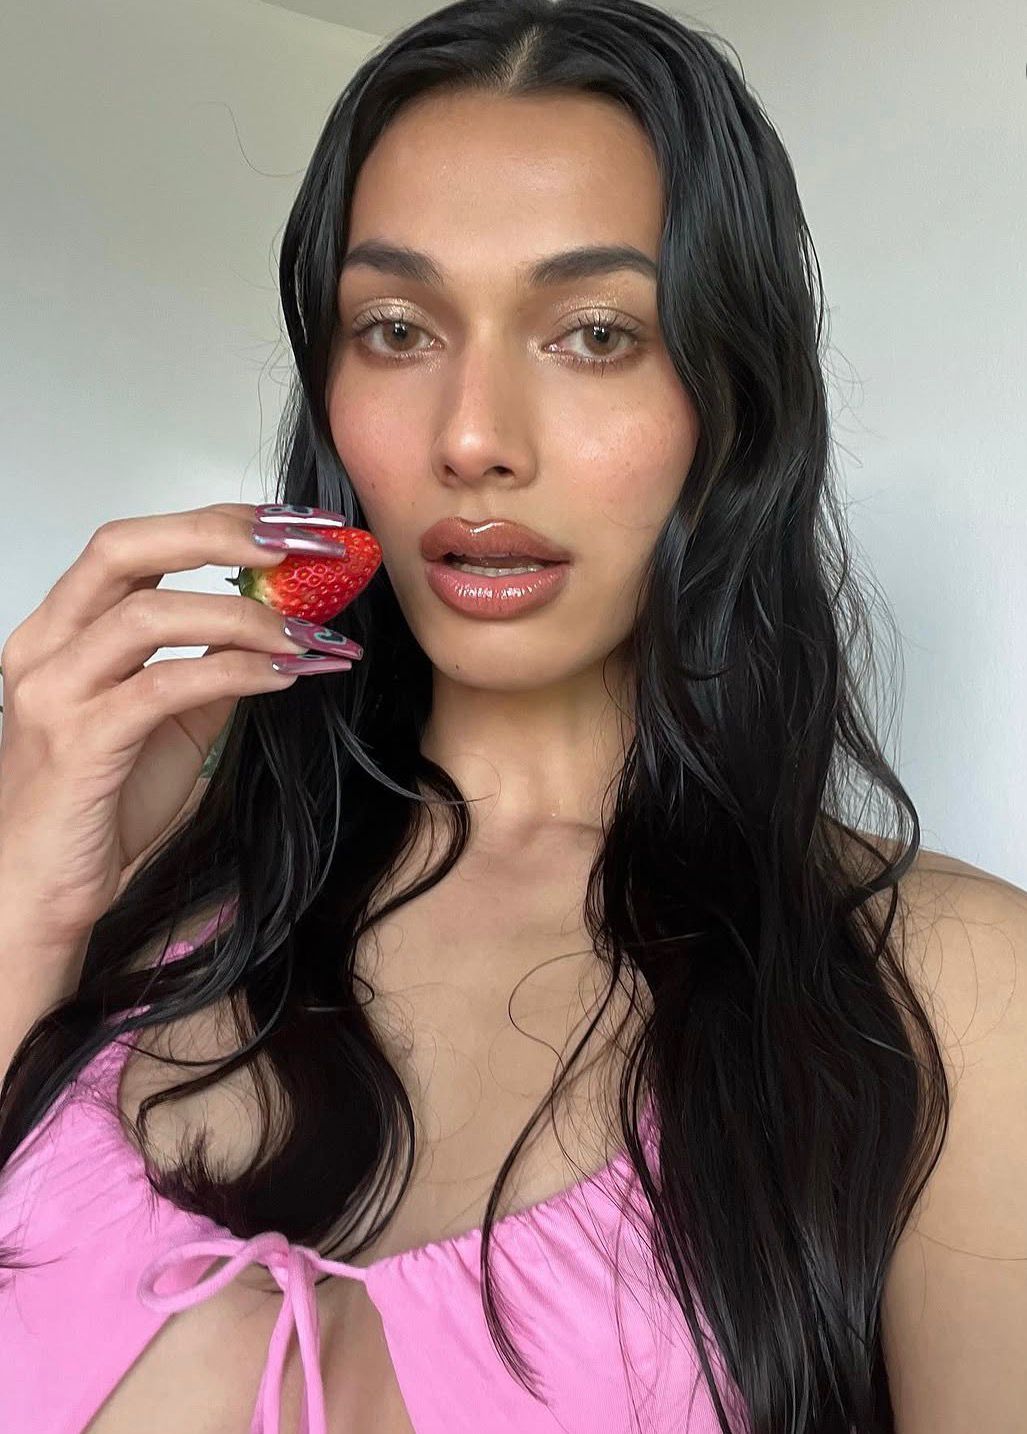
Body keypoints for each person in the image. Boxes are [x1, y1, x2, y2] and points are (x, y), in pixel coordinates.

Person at [1, 2, 1025, 1432]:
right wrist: (29, 909)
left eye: (595, 333)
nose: (473, 436)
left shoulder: (957, 997)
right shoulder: (125, 880)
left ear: (735, 399)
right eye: (396, 329)